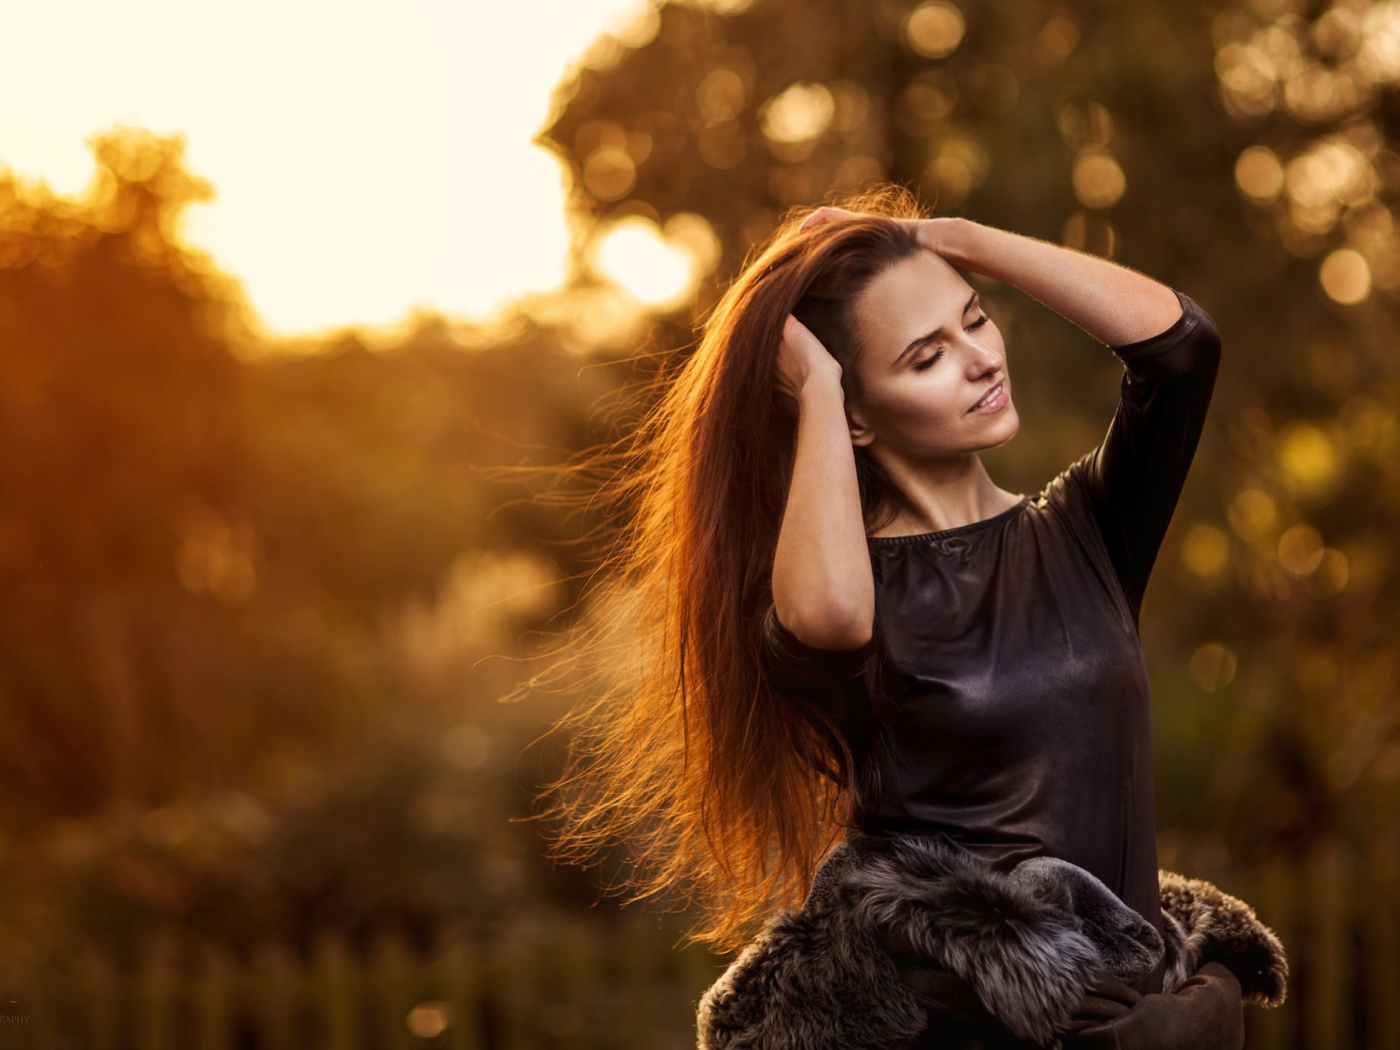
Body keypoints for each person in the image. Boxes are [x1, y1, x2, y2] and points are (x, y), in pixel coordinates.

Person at [532, 183, 1284, 1047]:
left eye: (975, 319)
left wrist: (958, 238)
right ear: (856, 414)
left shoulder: (1089, 531)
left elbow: (1182, 348)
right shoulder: (822, 584)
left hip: (1125, 1013)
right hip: (945, 1025)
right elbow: (834, 617)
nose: (980, 358)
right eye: (926, 356)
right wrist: (816, 388)